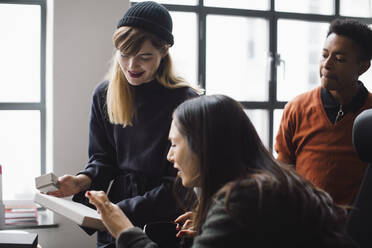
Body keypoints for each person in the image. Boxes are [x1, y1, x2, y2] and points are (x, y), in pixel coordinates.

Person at [86, 95, 356, 248]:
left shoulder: (243, 199)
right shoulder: (263, 186)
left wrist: (124, 230)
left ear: (203, 145)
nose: (170, 156)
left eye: (174, 144)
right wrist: (213, 229)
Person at [48, 1, 200, 247]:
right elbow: (102, 159)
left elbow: (179, 183)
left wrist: (115, 211)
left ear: (164, 52)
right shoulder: (104, 94)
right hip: (116, 209)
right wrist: (81, 181)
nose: (131, 66)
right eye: (125, 54)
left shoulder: (186, 101)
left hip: (168, 216)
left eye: (144, 57)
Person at [275, 18, 372, 205]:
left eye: (339, 59)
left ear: (363, 67)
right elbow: (283, 169)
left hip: (356, 227)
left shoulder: (370, 115)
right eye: (324, 55)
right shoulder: (298, 108)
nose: (326, 64)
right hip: (304, 221)